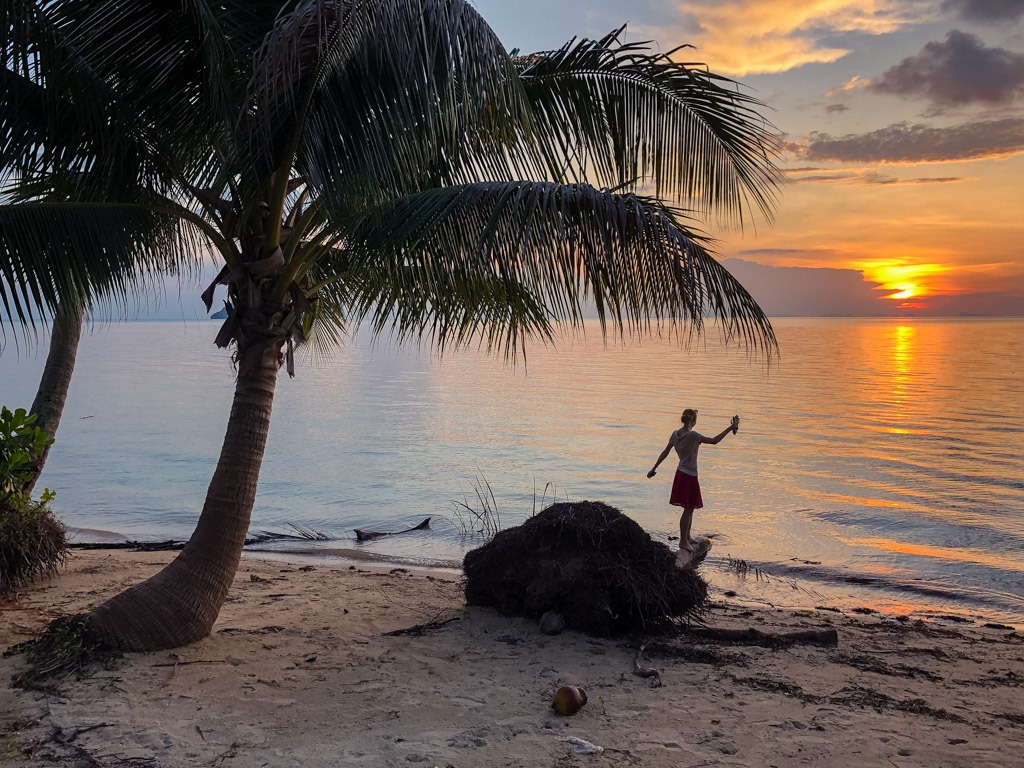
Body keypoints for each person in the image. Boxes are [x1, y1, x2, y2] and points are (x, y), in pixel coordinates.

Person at [647, 409, 739, 552]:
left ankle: (688, 537)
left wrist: (653, 468)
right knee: (688, 509)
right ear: (693, 421)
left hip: (680, 473)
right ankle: (683, 541)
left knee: (689, 509)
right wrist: (731, 427)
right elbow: (715, 441)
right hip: (688, 476)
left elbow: (665, 452)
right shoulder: (694, 436)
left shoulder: (675, 434)